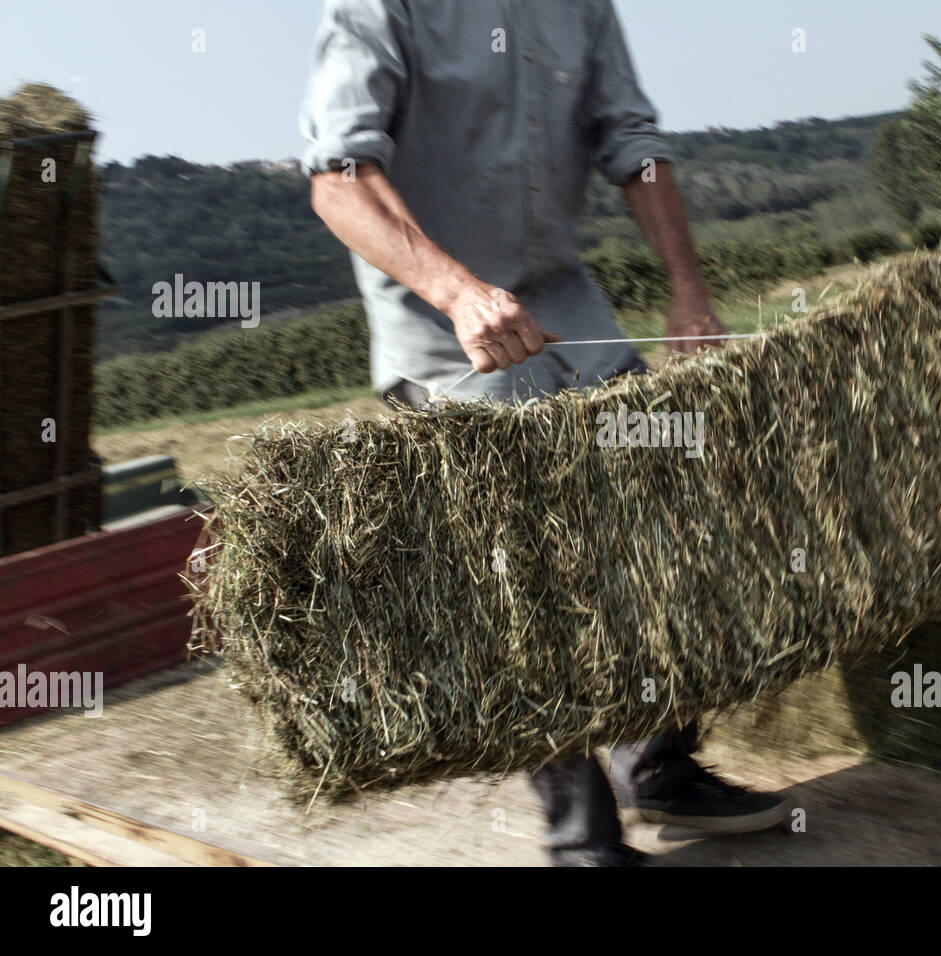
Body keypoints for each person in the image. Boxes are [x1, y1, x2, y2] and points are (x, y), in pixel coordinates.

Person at [301, 0, 790, 866]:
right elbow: (339, 175)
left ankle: (662, 768)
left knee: (671, 510)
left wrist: (688, 290)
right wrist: (457, 292)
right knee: (527, 581)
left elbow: (632, 142)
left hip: (564, 307)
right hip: (445, 330)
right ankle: (582, 840)